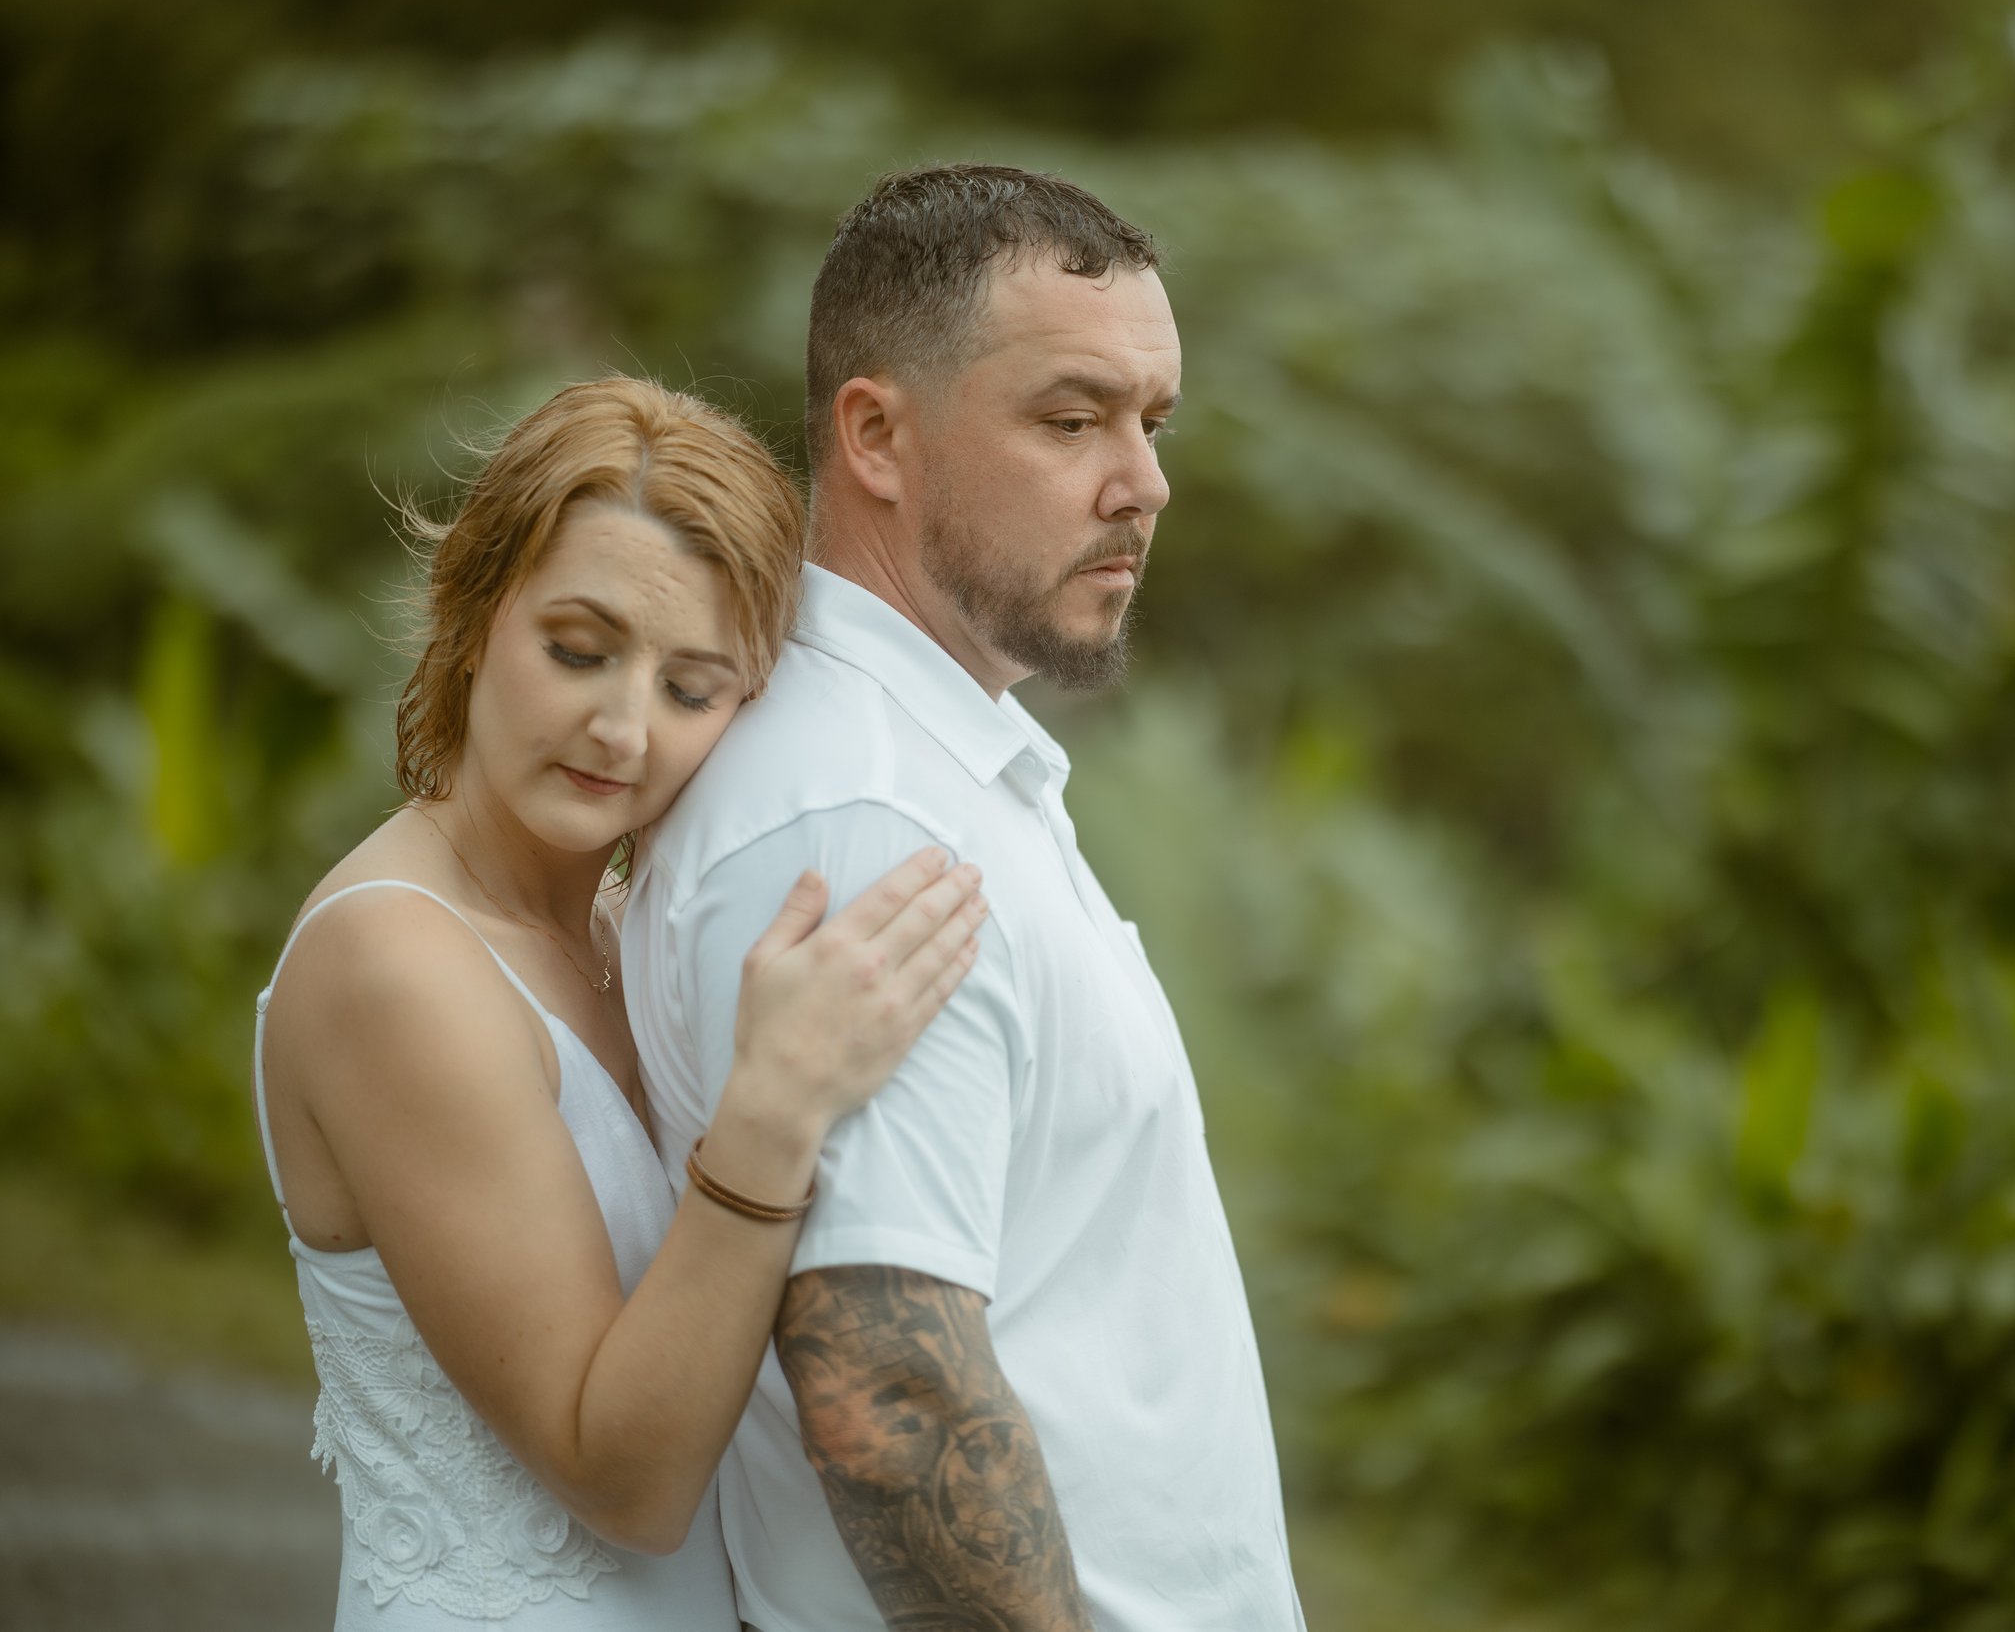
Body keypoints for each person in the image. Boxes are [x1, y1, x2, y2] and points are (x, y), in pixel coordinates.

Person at [624, 166, 1305, 1630]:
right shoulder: (866, 818)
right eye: (1073, 420)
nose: (1146, 481)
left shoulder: (930, 770)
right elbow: (892, 1385)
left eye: (1153, 420)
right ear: (876, 433)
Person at [252, 376, 989, 1630]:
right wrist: (772, 1109)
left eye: (691, 688)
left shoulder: (610, 933)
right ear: (476, 611)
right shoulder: (394, 964)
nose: (621, 727)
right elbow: (622, 1480)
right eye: (579, 650)